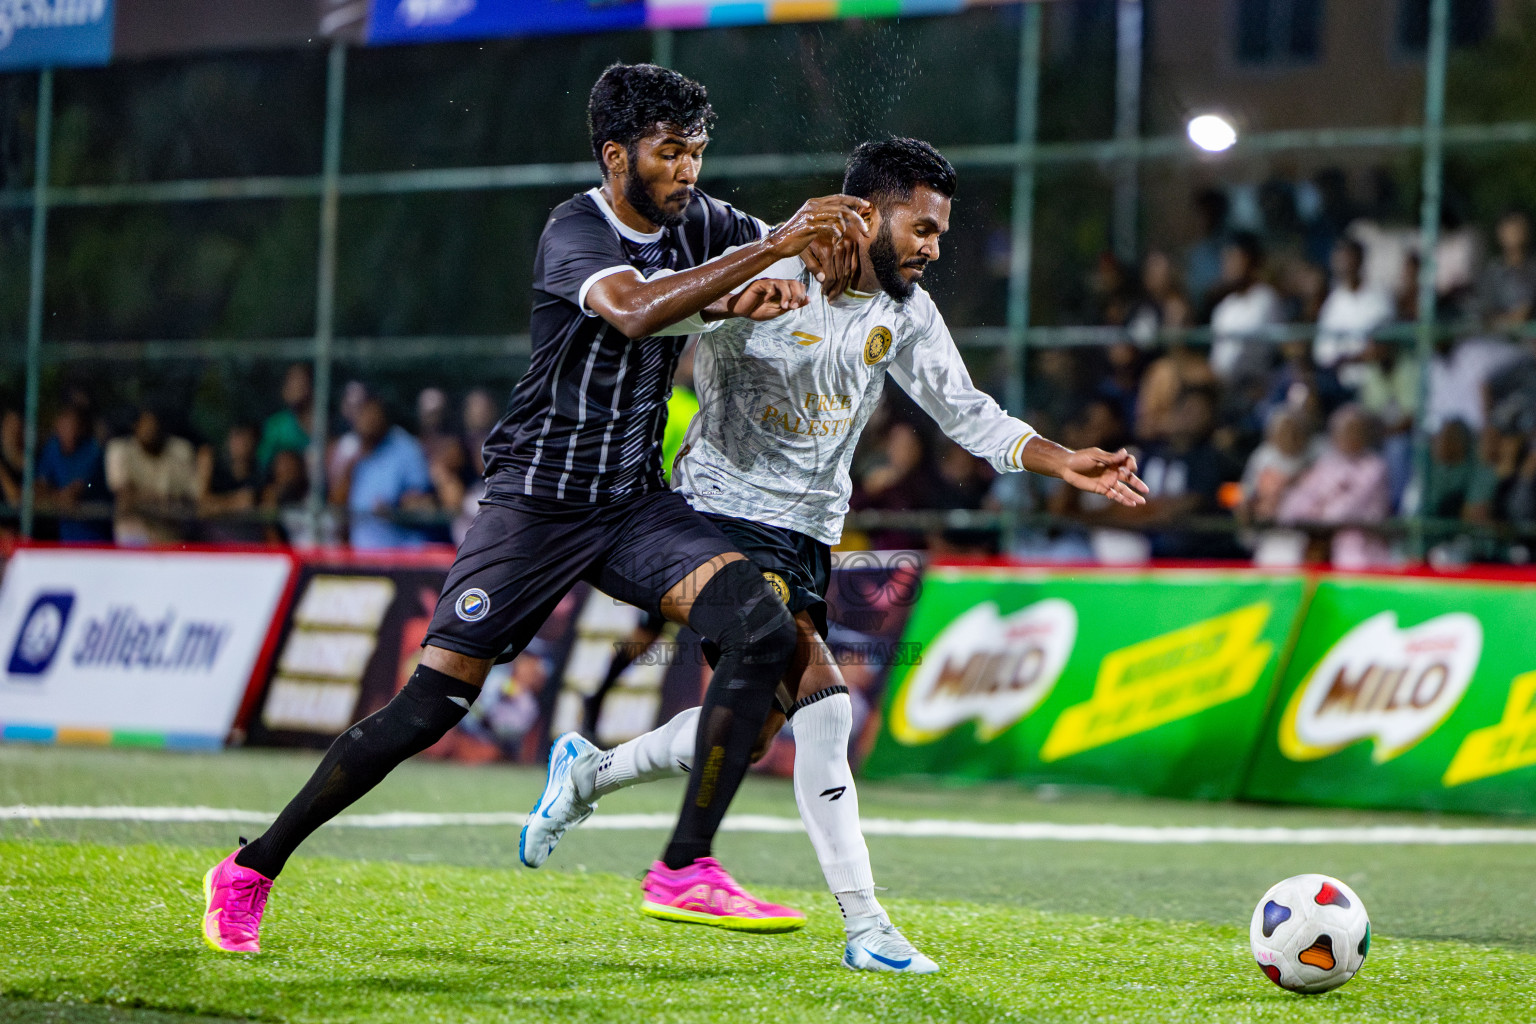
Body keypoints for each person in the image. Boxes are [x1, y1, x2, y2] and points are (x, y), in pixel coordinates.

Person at [201, 61, 870, 953]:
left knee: (762, 626)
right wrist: (773, 249)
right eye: (670, 154)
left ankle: (684, 868)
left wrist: (810, 262)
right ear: (615, 154)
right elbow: (633, 312)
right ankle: (250, 869)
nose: (688, 173)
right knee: (428, 708)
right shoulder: (574, 230)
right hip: (537, 505)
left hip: (632, 504)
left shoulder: (702, 221)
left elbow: (769, 270)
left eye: (698, 154)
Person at [518, 138, 1147, 973]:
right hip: (719, 516)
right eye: (920, 227)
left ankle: (588, 773)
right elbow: (661, 315)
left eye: (940, 234)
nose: (931, 246)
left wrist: (1061, 458)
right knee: (825, 706)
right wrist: (741, 288)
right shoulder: (771, 271)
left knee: (744, 737)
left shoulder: (908, 312)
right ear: (867, 213)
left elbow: (967, 412)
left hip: (814, 532)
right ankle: (864, 925)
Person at [337, 397, 436, 550]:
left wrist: (394, 511)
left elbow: (421, 501)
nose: (367, 420)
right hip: (361, 554)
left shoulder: (406, 448)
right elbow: (340, 502)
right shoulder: (355, 451)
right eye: (362, 413)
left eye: (372, 413)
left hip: (400, 554)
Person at [104, 408, 199, 545]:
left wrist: (145, 498)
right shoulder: (120, 450)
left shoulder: (181, 451)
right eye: (146, 424)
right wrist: (163, 501)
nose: (150, 429)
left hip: (171, 534)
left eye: (154, 424)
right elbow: (125, 495)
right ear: (135, 425)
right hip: (134, 532)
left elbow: (193, 496)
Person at [1313, 238, 1392, 372]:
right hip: (1340, 379)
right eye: (1341, 259)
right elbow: (1323, 352)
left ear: (1360, 260)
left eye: (1349, 258)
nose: (1345, 264)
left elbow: (1381, 346)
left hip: (1374, 376)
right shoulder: (1333, 302)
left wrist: (1355, 357)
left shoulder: (1380, 296)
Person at [35, 406, 109, 542]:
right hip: (64, 539)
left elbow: (82, 487)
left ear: (82, 428)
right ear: (57, 426)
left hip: (95, 537)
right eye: (65, 426)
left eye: (74, 426)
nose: (70, 431)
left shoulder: (92, 450)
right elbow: (39, 485)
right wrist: (55, 497)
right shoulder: (52, 448)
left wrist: (53, 497)